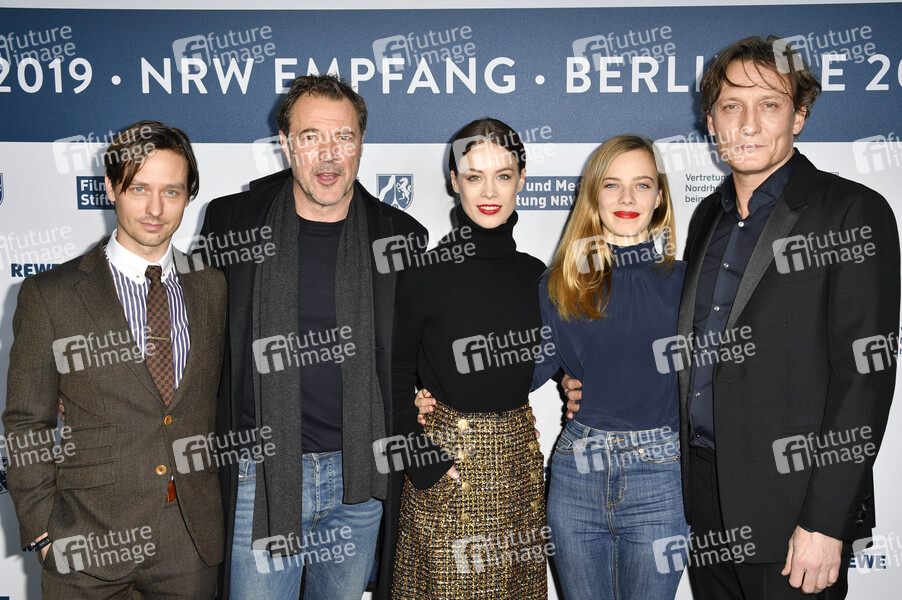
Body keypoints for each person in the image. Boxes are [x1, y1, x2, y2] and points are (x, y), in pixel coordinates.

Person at [566, 36, 900, 599]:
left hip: (795, 518)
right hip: (702, 505)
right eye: (730, 106)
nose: (747, 124)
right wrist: (584, 379)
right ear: (710, 121)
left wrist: (825, 522)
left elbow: (864, 378)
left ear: (798, 116)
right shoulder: (706, 217)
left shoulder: (852, 212)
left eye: (769, 104)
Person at [200, 74, 426, 600]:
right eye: (310, 136)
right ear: (285, 144)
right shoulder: (232, 222)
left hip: (359, 480)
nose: (328, 154)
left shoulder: (401, 236)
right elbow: (192, 330)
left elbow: (423, 347)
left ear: (361, 143)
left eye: (343, 136)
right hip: (260, 477)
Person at [2, 121, 226, 598]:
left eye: (171, 191)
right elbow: (26, 422)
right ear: (110, 188)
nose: (154, 209)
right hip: (84, 539)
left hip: (189, 540)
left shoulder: (212, 287)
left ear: (188, 196)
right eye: (138, 188)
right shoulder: (50, 294)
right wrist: (42, 530)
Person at [391, 118, 549, 599]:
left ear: (521, 179)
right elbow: (393, 372)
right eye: (474, 176)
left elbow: (560, 357)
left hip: (519, 467)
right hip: (448, 467)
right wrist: (422, 460)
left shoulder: (537, 276)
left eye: (503, 175)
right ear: (454, 181)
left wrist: (574, 384)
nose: (490, 191)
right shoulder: (424, 275)